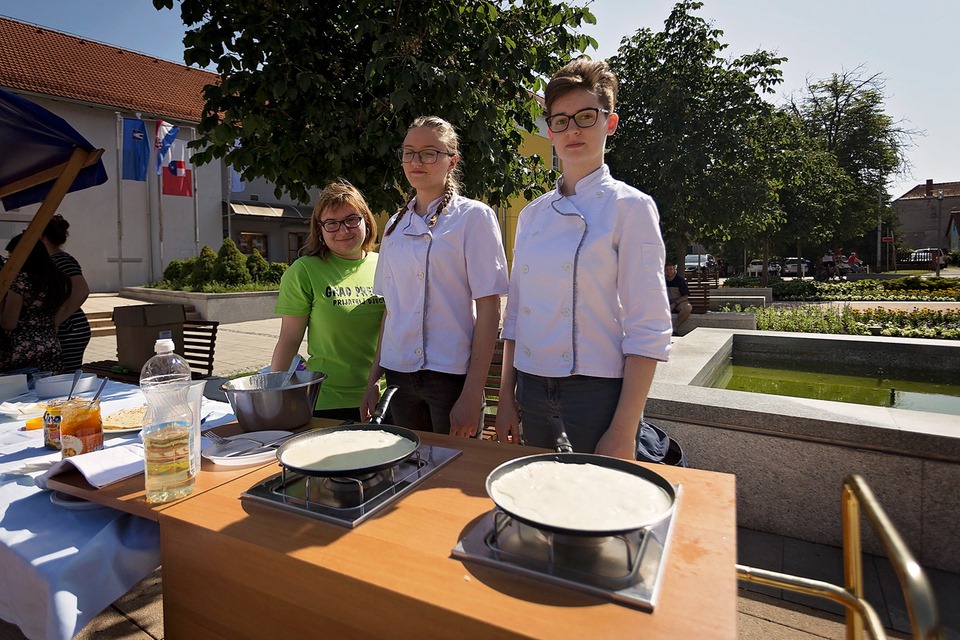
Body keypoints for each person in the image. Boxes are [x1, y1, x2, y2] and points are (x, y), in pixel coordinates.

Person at [495, 58, 672, 460]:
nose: (572, 130)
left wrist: (624, 429)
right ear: (550, 131)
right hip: (531, 389)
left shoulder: (631, 207)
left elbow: (649, 325)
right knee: (538, 491)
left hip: (597, 392)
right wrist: (507, 397)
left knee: (599, 496)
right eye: (561, 120)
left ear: (610, 123)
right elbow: (516, 316)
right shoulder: (532, 215)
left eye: (586, 117)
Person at [361, 116, 509, 437]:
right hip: (399, 376)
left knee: (457, 464)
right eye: (409, 152)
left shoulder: (474, 218)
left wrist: (472, 393)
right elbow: (392, 311)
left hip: (452, 378)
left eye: (429, 153)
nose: (417, 161)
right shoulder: (394, 226)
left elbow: (489, 310)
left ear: (451, 161)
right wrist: (374, 378)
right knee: (408, 462)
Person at [270, 180, 385, 421]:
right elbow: (289, 340)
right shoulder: (304, 271)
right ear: (319, 229)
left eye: (351, 219)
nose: (343, 230)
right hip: (328, 401)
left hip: (384, 399)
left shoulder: (387, 265)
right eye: (331, 223)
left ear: (366, 221)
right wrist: (274, 397)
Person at [1, 233, 72, 373]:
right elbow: (56, 319)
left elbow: (9, 323)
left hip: (18, 351)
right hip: (50, 347)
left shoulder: (20, 281)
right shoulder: (60, 280)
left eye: (10, 257)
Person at [42, 214, 91, 371]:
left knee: (66, 375)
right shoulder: (54, 259)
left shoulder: (60, 260)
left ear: (42, 236)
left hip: (70, 330)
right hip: (70, 327)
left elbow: (81, 290)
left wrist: (56, 321)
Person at [665, 264, 692, 335]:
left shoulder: (680, 280)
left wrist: (674, 304)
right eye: (667, 270)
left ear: (674, 270)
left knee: (688, 307)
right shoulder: (662, 280)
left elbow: (685, 296)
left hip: (678, 302)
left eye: (670, 269)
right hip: (665, 303)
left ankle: (675, 328)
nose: (669, 271)